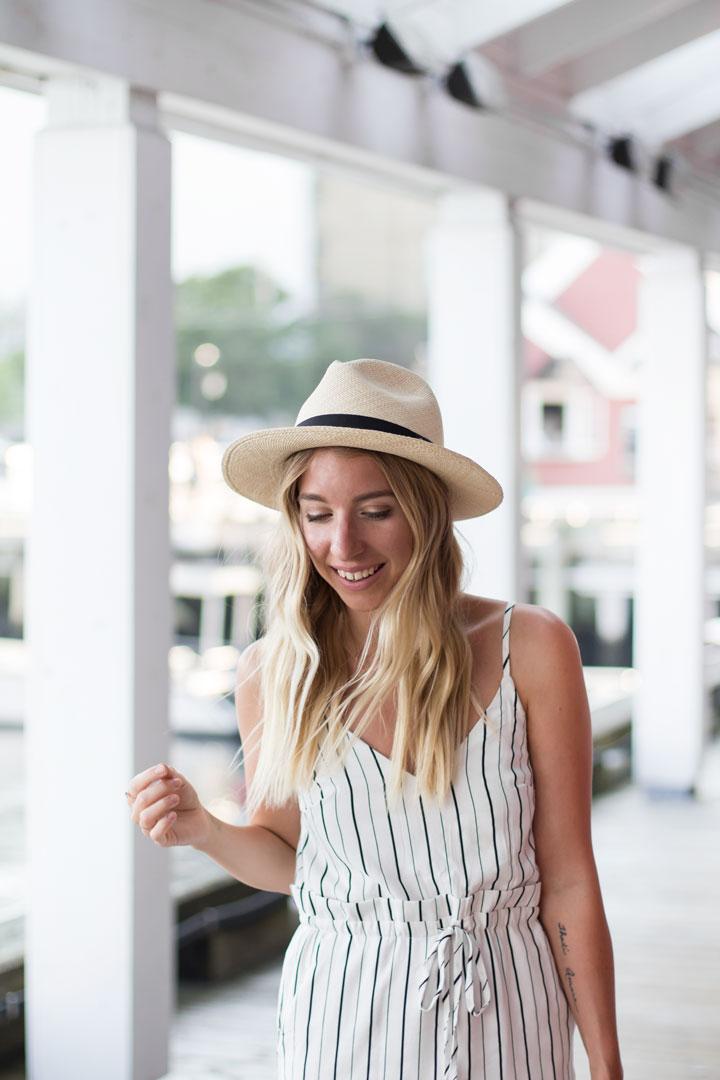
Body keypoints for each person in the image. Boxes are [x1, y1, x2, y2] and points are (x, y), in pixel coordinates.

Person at [127, 358, 623, 1079]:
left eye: (376, 510)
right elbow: (289, 860)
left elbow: (569, 877)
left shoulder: (534, 649)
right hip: (342, 1016)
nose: (343, 546)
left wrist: (606, 1065)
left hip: (510, 1006)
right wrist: (204, 830)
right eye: (317, 513)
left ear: (426, 511)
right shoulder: (275, 671)